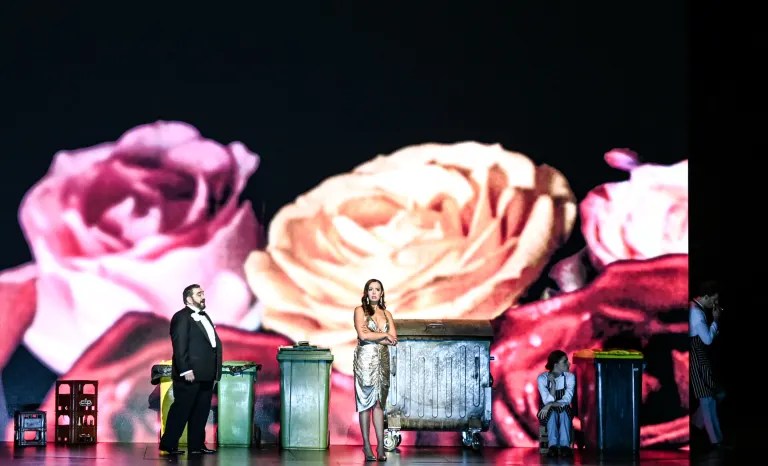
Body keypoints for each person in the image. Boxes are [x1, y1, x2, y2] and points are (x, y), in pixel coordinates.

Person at [159, 284, 222, 455]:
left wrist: (215, 371)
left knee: (201, 411)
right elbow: (179, 345)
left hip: (206, 373)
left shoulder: (205, 316)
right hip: (190, 373)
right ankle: (168, 444)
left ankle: (196, 446)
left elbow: (211, 345)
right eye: (199, 294)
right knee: (182, 409)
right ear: (189, 298)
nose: (203, 296)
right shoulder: (181, 317)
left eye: (203, 293)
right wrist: (185, 370)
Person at [353, 279, 398, 461]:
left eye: (377, 289)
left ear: (381, 293)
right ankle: (366, 445)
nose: (374, 292)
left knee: (379, 403)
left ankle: (380, 446)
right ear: (366, 292)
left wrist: (377, 336)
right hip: (366, 359)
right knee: (365, 403)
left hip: (383, 360)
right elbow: (362, 335)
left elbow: (393, 339)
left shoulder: (387, 313)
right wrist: (383, 334)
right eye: (370, 289)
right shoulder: (360, 311)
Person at [690, 280, 727, 451]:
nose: (716, 303)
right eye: (714, 299)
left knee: (714, 395)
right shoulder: (696, 313)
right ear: (706, 296)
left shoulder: (694, 308)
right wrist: (716, 321)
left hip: (699, 355)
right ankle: (716, 441)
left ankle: (697, 423)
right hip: (697, 356)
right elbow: (707, 340)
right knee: (707, 400)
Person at [537, 349, 575, 458]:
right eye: (565, 361)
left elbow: (567, 400)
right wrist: (553, 384)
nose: (569, 363)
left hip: (563, 409)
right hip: (546, 412)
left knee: (563, 411)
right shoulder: (542, 378)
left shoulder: (570, 377)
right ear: (556, 364)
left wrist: (549, 405)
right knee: (552, 413)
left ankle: (564, 446)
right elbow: (546, 400)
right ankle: (552, 446)